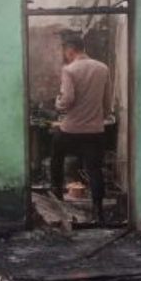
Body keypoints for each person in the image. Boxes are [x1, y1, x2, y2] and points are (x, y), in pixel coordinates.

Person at [51, 32, 112, 225]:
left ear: (70, 50)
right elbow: (107, 101)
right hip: (95, 130)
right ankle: (98, 210)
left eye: (65, 51)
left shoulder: (69, 70)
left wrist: (58, 103)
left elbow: (67, 99)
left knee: (56, 155)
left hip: (71, 130)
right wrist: (101, 116)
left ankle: (56, 193)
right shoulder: (103, 68)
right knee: (95, 169)